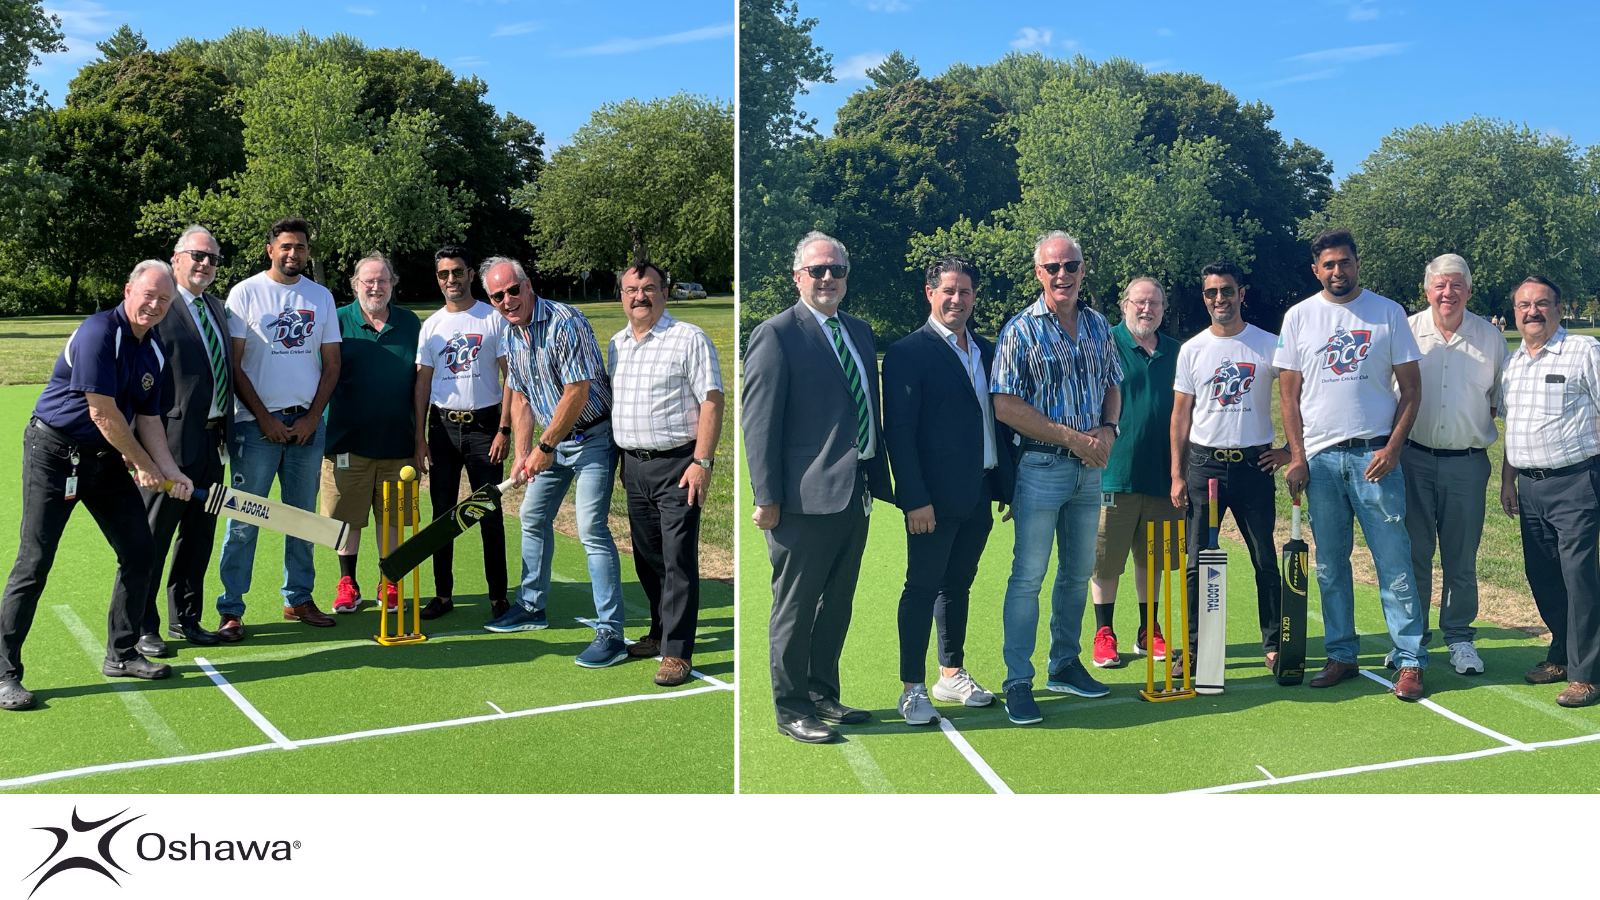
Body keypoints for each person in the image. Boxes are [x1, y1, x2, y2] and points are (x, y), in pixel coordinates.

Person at [0, 261, 194, 710]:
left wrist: (172, 470)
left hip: (104, 461)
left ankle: (122, 654)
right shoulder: (97, 333)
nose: (155, 305)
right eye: (148, 294)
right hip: (55, 453)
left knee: (140, 551)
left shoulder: (155, 352)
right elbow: (102, 413)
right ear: (128, 290)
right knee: (34, 562)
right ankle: (5, 672)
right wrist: (145, 466)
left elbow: (149, 419)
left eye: (164, 300)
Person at [743, 231, 894, 744]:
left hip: (855, 493)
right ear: (797, 276)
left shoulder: (860, 330)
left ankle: (822, 692)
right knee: (796, 605)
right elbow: (758, 423)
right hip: (802, 500)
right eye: (817, 270)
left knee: (838, 603)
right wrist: (766, 497)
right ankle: (790, 708)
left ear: (847, 276)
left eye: (836, 270)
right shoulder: (776, 334)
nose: (827, 278)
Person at [1275, 228, 1428, 700]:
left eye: (1345, 262)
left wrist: (1394, 448)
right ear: (1316, 269)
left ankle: (1410, 661)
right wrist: (1298, 455)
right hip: (1320, 462)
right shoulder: (1299, 317)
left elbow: (1413, 388)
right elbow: (1288, 394)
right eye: (1328, 264)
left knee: (1394, 563)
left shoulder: (1387, 313)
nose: (1337, 271)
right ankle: (1341, 654)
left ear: (1357, 264)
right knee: (1330, 567)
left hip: (1374, 457)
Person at [991, 230, 1123, 726]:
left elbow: (1112, 383)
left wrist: (1109, 430)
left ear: (1083, 270)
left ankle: (1065, 664)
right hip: (1041, 467)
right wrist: (1074, 438)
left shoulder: (1095, 325)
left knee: (1076, 574)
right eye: (1052, 268)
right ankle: (1018, 680)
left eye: (1070, 266)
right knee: (1028, 576)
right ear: (1038, 273)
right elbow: (1005, 405)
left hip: (1090, 470)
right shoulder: (1020, 330)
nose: (1062, 275)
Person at [882, 255, 1014, 725]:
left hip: (979, 493)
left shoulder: (987, 349)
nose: (957, 300)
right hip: (931, 501)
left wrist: (1008, 486)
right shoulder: (907, 352)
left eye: (965, 292)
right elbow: (898, 432)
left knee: (957, 585)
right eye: (948, 291)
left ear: (974, 297)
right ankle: (912, 687)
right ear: (930, 294)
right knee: (920, 587)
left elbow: (1000, 422)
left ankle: (950, 672)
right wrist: (914, 497)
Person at [486, 256, 628, 670]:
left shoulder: (566, 321)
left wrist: (543, 448)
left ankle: (611, 633)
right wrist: (522, 451)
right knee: (532, 515)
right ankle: (532, 608)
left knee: (590, 528)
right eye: (498, 296)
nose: (508, 301)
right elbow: (523, 395)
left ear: (528, 285)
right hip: (555, 442)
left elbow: (577, 392)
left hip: (592, 439)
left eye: (513, 290)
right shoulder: (511, 334)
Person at [215, 217, 342, 640]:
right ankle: (231, 609)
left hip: (306, 427)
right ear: (270, 249)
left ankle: (299, 599)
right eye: (286, 246)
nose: (294, 254)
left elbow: (332, 365)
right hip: (255, 428)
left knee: (301, 520)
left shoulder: (320, 296)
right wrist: (264, 419)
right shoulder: (245, 293)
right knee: (243, 521)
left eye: (301, 247)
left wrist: (311, 418)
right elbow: (234, 366)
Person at [606, 260, 724, 687]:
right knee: (647, 558)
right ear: (621, 295)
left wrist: (703, 462)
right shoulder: (617, 343)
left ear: (665, 292)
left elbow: (712, 400)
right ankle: (658, 633)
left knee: (677, 560)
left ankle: (676, 652)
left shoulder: (688, 338)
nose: (640, 296)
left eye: (649, 288)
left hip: (680, 466)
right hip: (633, 466)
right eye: (631, 289)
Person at [119, 226, 234, 656]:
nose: (204, 264)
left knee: (198, 536)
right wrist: (138, 451)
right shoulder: (159, 307)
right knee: (153, 538)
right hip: (166, 444)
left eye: (212, 258)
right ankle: (143, 625)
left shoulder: (218, 309)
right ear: (177, 258)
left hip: (213, 443)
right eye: (197, 255)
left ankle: (186, 617)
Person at [1170, 261, 1289, 671]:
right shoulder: (1193, 349)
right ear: (1204, 297)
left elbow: (1299, 399)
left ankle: (1274, 645)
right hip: (1205, 469)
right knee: (1196, 563)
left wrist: (1292, 450)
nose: (1219, 299)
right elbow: (1180, 417)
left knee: (1264, 560)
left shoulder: (1269, 344)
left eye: (1226, 290)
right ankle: (1194, 650)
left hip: (1254, 467)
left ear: (1242, 293)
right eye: (1211, 293)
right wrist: (1177, 473)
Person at [1403, 254, 1507, 675]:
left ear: (1468, 289)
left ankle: (1460, 637)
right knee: (1414, 554)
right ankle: (1412, 641)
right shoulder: (1407, 331)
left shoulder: (1491, 338)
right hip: (1412, 459)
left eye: (1457, 285)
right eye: (1440, 285)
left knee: (1460, 558)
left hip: (1467, 463)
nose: (1449, 293)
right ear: (1428, 290)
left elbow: (1500, 404)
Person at [1500, 276, 1600, 707]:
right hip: (1529, 485)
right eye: (1524, 305)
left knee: (1579, 578)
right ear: (1514, 312)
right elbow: (1512, 426)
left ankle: (1586, 674)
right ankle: (1559, 655)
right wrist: (1507, 479)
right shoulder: (1513, 362)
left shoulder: (1584, 351)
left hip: (1576, 482)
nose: (1532, 312)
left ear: (1559, 308)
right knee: (1542, 575)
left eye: (1542, 304)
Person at [413, 245, 510, 620]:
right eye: (443, 274)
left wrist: (504, 429)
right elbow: (423, 383)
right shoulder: (432, 325)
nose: (450, 280)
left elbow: (510, 377)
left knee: (489, 512)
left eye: (457, 272)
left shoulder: (492, 318)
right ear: (437, 278)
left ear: (471, 274)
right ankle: (443, 594)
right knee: (442, 514)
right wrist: (419, 436)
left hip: (485, 427)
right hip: (441, 428)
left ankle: (498, 596)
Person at [1089, 277, 1181, 669]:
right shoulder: (1103, 343)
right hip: (1113, 473)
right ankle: (1104, 632)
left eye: (1155, 304)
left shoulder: (1178, 351)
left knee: (1153, 558)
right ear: (1124, 304)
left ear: (1164, 308)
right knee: (1106, 559)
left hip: (1162, 475)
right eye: (1139, 303)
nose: (1147, 310)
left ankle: (1148, 629)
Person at [325, 252, 421, 615]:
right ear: (355, 285)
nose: (375, 287)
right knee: (347, 516)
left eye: (382, 280)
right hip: (347, 441)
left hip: (398, 440)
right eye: (368, 281)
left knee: (393, 517)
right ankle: (348, 583)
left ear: (393, 284)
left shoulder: (411, 323)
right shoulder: (335, 321)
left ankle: (389, 580)